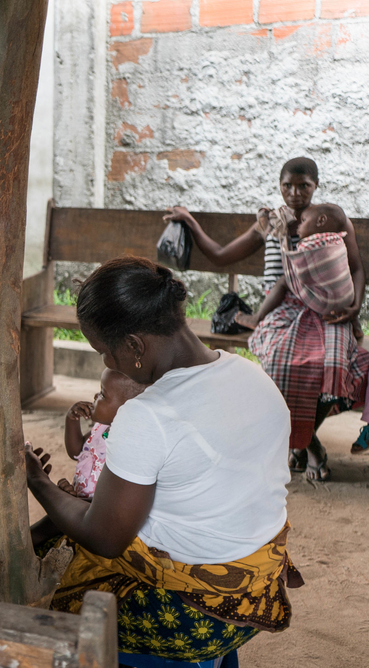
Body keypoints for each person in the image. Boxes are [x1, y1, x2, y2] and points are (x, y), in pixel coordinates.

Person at [26, 257, 302, 663]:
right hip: (260, 590)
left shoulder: (149, 414)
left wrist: (38, 482)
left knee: (37, 574)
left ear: (135, 346)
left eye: (104, 351)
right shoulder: (252, 376)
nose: (105, 363)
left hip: (194, 613)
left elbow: (104, 537)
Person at [163, 157, 366, 479]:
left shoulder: (331, 219)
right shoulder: (270, 222)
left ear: (315, 186)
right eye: (287, 185)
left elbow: (356, 268)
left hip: (327, 309)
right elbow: (220, 254)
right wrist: (190, 221)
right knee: (281, 363)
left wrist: (354, 308)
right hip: (280, 310)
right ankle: (309, 446)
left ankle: (296, 443)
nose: (295, 192)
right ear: (279, 185)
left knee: (335, 365)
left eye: (303, 186)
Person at [28, 368, 145, 547]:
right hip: (80, 501)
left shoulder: (131, 445)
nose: (95, 396)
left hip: (99, 514)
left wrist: (72, 502)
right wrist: (72, 420)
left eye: (103, 394)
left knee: (53, 522)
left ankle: (29, 540)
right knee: (56, 517)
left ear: (126, 409)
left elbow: (117, 502)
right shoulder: (100, 428)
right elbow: (76, 451)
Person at [241, 203, 354, 329]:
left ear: (321, 221)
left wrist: (285, 246)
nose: (299, 226)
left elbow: (300, 274)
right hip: (345, 300)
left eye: (304, 221)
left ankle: (257, 318)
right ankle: (355, 325)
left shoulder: (308, 245)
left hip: (324, 303)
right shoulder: (337, 239)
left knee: (284, 280)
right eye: (288, 185)